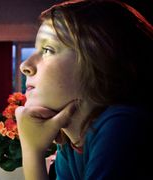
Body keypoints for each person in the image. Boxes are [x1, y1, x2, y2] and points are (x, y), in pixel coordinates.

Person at [15, 0, 153, 179]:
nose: (25, 66)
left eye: (48, 49)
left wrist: (32, 151)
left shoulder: (123, 127)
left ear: (101, 62)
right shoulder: (72, 142)